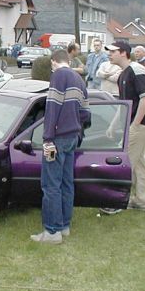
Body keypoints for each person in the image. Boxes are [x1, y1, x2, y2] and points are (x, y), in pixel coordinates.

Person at [31, 49, 90, 244]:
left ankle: (52, 232)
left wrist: (47, 138)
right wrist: (79, 130)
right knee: (66, 183)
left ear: (54, 61)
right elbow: (85, 113)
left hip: (57, 139)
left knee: (50, 185)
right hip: (73, 137)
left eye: (51, 64)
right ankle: (64, 226)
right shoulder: (79, 79)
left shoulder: (58, 77)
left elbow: (53, 108)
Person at [102, 40, 145, 214]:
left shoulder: (137, 70)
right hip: (135, 124)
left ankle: (116, 202)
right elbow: (125, 103)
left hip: (141, 124)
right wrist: (113, 124)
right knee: (139, 163)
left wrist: (135, 124)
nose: (109, 54)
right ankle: (142, 201)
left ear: (123, 52)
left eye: (113, 51)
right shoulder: (122, 74)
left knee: (126, 163)